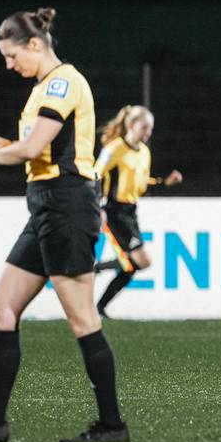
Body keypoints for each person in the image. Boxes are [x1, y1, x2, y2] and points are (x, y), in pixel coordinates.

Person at [0, 8, 131, 442]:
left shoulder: (63, 82)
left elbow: (34, 149)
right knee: (2, 309)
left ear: (34, 44)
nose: (9, 66)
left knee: (82, 319)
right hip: (46, 208)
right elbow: (37, 149)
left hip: (67, 207)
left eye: (11, 56)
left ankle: (112, 426)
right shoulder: (44, 87)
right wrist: (4, 146)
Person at [92, 104, 185, 315]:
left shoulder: (144, 152)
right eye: (145, 127)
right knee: (141, 261)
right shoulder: (114, 148)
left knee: (135, 264)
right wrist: (98, 205)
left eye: (150, 128)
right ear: (132, 125)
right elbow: (95, 175)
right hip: (114, 211)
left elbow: (142, 184)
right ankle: (96, 276)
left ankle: (100, 304)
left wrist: (165, 183)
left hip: (131, 212)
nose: (148, 132)